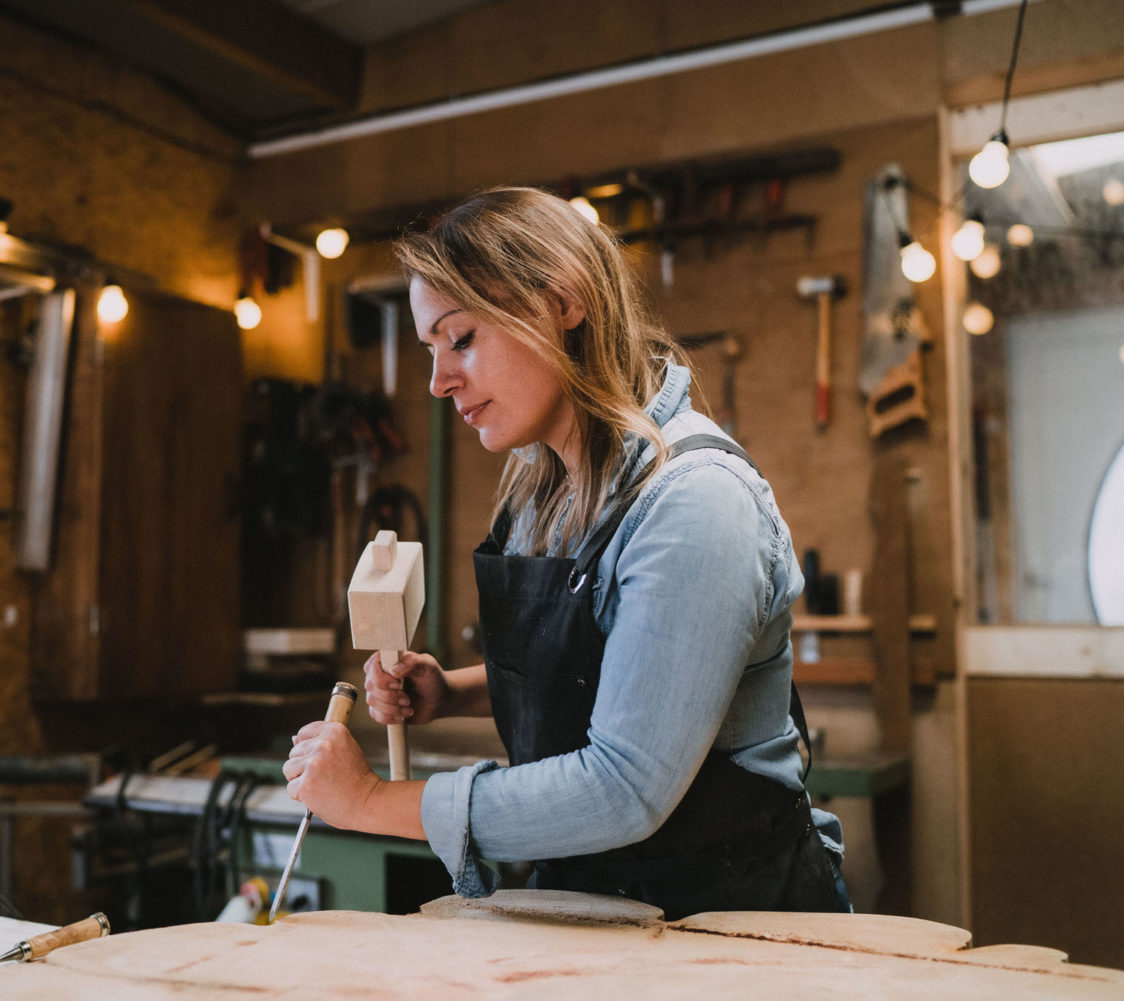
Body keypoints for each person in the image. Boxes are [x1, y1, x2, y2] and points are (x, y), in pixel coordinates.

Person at [282, 186, 850, 918]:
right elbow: (603, 666)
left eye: (461, 338)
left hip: (733, 921)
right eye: (430, 350)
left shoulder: (694, 502)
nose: (439, 381)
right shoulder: (545, 489)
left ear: (562, 302)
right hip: (602, 908)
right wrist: (453, 691)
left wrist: (370, 800)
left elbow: (624, 788)